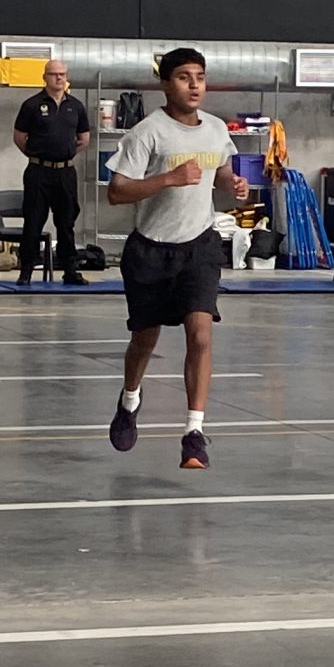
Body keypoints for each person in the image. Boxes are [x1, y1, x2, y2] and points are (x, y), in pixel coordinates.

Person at [105, 47, 239, 472]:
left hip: (200, 247)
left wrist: (233, 184)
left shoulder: (216, 129)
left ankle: (194, 433)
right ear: (165, 84)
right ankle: (130, 400)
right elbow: (116, 192)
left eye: (200, 76)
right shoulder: (147, 133)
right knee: (144, 340)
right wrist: (168, 178)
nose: (194, 85)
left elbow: (220, 173)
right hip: (150, 250)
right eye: (184, 77)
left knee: (200, 334)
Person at [12, 58, 92, 288]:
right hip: (38, 172)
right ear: (44, 77)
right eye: (54, 74)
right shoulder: (31, 105)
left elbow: (84, 139)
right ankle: (26, 271)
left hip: (65, 173)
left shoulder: (76, 106)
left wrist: (64, 153)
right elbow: (19, 138)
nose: (59, 78)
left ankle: (70, 271)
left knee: (66, 224)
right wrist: (38, 155)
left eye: (62, 74)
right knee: (33, 222)